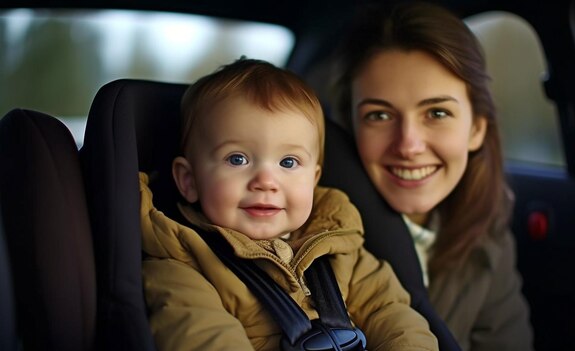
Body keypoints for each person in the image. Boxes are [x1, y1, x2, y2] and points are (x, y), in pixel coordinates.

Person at [139, 58, 438, 351]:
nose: (266, 181)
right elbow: (203, 336)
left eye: (288, 162)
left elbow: (391, 313)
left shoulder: (342, 249)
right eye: (237, 159)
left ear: (313, 179)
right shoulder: (181, 264)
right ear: (189, 180)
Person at [332, 2, 534, 350]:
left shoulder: (488, 241)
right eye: (379, 116)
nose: (408, 144)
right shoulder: (306, 239)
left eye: (436, 112)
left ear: (476, 129)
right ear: (351, 128)